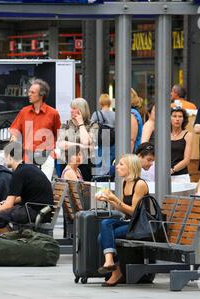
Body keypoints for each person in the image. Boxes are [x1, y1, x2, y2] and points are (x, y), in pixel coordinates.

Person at [97, 154, 149, 286]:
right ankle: (111, 263)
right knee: (105, 223)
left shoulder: (140, 184)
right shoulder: (126, 182)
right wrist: (109, 199)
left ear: (130, 167)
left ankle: (115, 271)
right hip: (129, 222)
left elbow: (134, 211)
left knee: (101, 237)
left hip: (139, 225)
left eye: (121, 164)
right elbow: (123, 210)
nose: (117, 166)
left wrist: (115, 199)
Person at [0, 141, 53, 233]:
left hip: (36, 211)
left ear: (9, 156)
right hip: (41, 210)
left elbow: (9, 204)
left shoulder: (19, 173)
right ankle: (13, 239)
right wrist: (0, 205)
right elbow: (21, 197)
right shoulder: (27, 168)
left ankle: (11, 244)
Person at [9, 78, 61, 181]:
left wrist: (53, 152)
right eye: (29, 91)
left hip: (46, 157)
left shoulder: (53, 113)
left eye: (32, 92)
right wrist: (13, 139)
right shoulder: (24, 112)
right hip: (27, 157)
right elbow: (14, 130)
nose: (29, 94)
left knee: (44, 187)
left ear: (41, 95)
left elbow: (58, 135)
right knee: (29, 188)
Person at [57, 97, 98, 181]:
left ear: (82, 110)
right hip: (66, 162)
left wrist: (81, 124)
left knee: (85, 191)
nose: (71, 111)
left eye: (74, 108)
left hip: (85, 164)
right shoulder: (65, 124)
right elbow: (60, 144)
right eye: (71, 108)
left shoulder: (93, 125)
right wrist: (79, 145)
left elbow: (86, 142)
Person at [90, 94, 115, 175]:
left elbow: (92, 129)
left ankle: (99, 180)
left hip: (100, 140)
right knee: (110, 162)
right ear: (110, 103)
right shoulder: (115, 114)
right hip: (112, 141)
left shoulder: (96, 114)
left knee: (99, 163)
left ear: (100, 103)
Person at [170, 107, 193, 183]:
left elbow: (186, 160)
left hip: (181, 176)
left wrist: (172, 170)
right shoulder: (164, 134)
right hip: (164, 175)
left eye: (180, 116)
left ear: (183, 119)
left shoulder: (188, 135)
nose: (177, 119)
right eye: (174, 116)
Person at [130, 88, 143, 153]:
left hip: (133, 154)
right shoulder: (133, 112)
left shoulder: (132, 113)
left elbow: (132, 140)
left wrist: (127, 158)